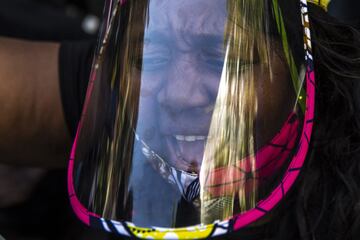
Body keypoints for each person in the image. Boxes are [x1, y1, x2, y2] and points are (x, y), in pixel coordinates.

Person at [0, 1, 360, 240]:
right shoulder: (120, 84)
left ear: (304, 64)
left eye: (223, 61)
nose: (180, 94)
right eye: (149, 58)